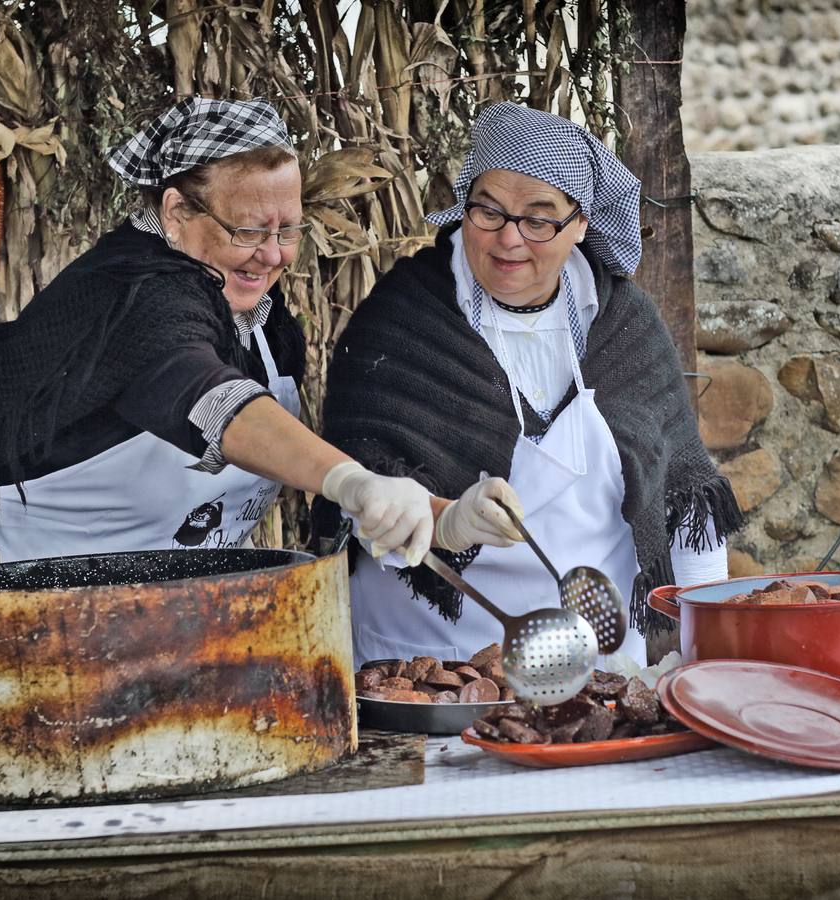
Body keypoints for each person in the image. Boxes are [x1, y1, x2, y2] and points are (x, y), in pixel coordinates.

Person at [0, 97, 492, 567]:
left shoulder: (264, 322)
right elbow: (198, 393)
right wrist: (353, 482)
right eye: (251, 230)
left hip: (146, 611)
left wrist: (439, 517)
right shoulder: (135, 293)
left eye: (289, 231)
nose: (274, 256)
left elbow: (286, 452)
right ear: (177, 213)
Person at [316, 102, 743, 666]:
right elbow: (358, 494)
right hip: (425, 661)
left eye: (539, 220)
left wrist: (706, 655)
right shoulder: (404, 317)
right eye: (488, 212)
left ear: (581, 225)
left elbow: (684, 500)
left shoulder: (624, 326)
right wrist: (444, 516)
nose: (508, 240)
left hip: (597, 663)